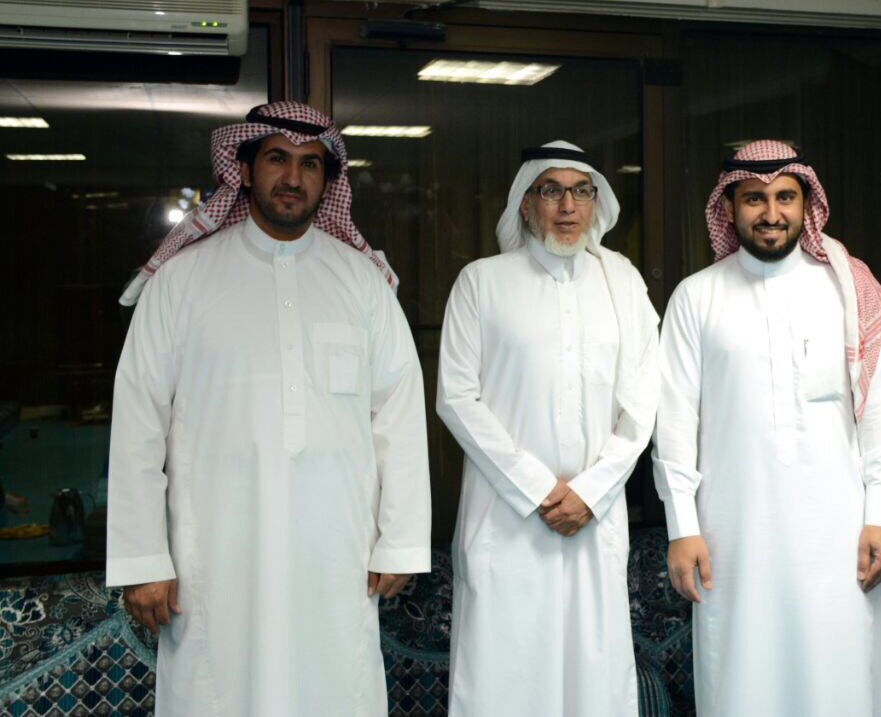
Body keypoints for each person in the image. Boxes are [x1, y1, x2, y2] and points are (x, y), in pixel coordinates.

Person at [107, 101, 431, 717]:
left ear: (327, 182)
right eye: (278, 158)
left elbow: (399, 415)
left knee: (334, 682)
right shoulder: (182, 280)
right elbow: (138, 422)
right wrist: (142, 557)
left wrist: (402, 540)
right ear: (245, 168)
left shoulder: (362, 282)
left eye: (311, 165)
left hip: (336, 546)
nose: (293, 177)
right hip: (215, 548)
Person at [652, 139, 881, 716]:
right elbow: (673, 423)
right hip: (734, 534)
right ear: (729, 207)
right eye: (754, 199)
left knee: (837, 676)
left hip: (839, 533)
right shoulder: (697, 297)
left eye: (785, 198)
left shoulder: (849, 290)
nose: (771, 213)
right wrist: (682, 527)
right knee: (745, 678)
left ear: (806, 203)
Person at [437, 140, 658, 717]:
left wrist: (590, 491)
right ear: (526, 202)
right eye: (552, 190)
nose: (567, 205)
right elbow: (456, 398)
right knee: (504, 676)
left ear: (595, 203)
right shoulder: (481, 282)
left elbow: (643, 402)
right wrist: (537, 488)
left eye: (581, 191)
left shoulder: (623, 282)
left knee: (594, 679)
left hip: (594, 518)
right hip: (506, 520)